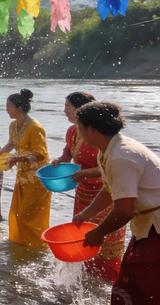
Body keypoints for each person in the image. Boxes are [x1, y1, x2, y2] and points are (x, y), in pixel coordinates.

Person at [73, 101, 160, 304]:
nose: (78, 132)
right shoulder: (110, 150)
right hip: (147, 225)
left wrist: (98, 232)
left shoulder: (121, 156)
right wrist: (86, 214)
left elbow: (124, 211)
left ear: (91, 129)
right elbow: (110, 188)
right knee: (129, 283)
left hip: (156, 228)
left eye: (80, 127)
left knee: (144, 287)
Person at [52, 92, 124, 282]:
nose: (64, 110)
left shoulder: (103, 138)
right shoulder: (73, 131)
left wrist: (83, 174)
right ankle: (87, 276)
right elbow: (68, 152)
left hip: (105, 193)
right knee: (84, 234)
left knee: (105, 240)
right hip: (82, 192)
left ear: (81, 111)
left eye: (67, 105)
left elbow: (108, 169)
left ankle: (108, 280)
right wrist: (59, 161)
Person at [0, 89, 51, 248]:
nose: (6, 109)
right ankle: (21, 247)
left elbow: (40, 154)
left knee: (28, 217)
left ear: (19, 108)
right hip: (22, 175)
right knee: (17, 213)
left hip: (37, 178)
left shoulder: (35, 127)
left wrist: (16, 158)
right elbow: (11, 144)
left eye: (9, 106)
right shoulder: (13, 125)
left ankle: (38, 248)